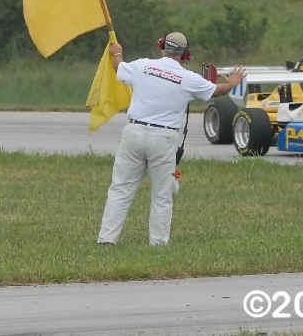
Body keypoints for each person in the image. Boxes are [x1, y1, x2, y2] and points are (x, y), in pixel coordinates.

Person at [97, 31, 245, 246]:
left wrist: (116, 52)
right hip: (164, 138)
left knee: (120, 189)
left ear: (161, 47)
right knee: (162, 195)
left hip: (134, 133)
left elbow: (118, 67)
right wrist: (233, 82)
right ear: (185, 54)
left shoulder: (142, 65)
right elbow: (217, 91)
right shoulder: (188, 78)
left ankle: (106, 240)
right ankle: (158, 243)